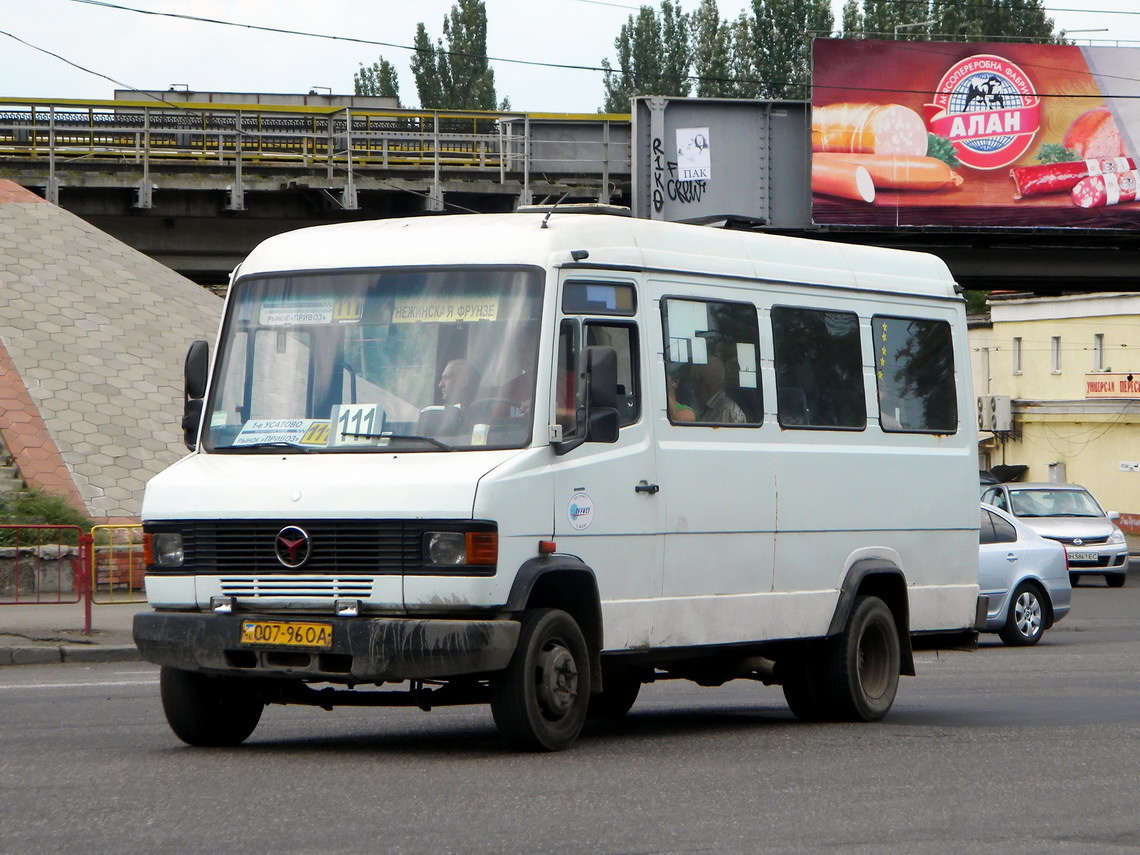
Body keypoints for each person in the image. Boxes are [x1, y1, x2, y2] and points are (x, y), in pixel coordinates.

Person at [691, 356, 746, 424]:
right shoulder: (705, 407)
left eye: (694, 380)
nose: (693, 388)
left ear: (703, 381)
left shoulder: (729, 412)